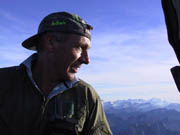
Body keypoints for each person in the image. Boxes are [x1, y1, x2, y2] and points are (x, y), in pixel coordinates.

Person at [0, 11, 112, 135]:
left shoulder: (86, 95)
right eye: (80, 48)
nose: (87, 60)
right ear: (51, 43)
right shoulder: (4, 81)